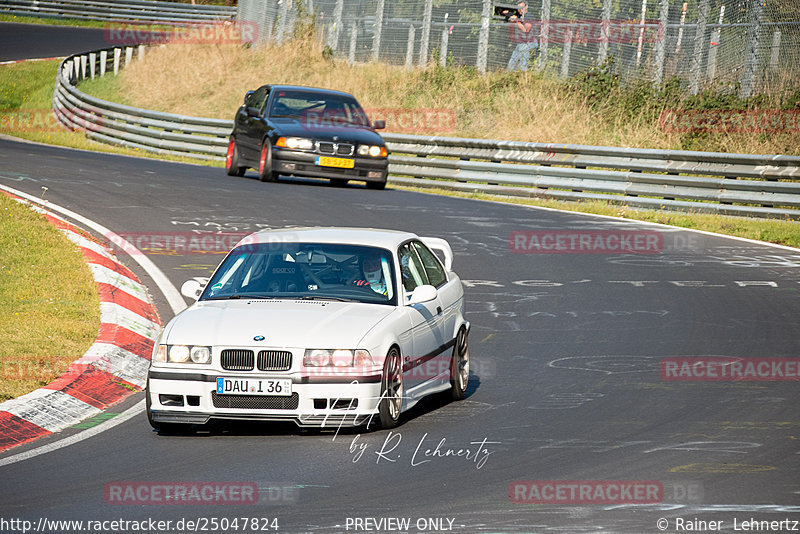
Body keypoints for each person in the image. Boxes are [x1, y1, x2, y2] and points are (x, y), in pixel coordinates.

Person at [507, 1, 538, 71]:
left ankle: (523, 74)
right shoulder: (519, 16)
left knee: (523, 60)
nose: (520, 10)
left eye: (521, 8)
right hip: (521, 43)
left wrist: (516, 21)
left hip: (530, 42)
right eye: (518, 8)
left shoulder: (529, 16)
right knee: (511, 63)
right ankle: (513, 76)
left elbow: (525, 30)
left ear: (526, 7)